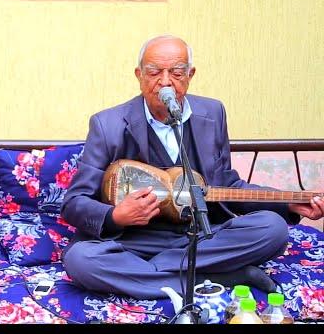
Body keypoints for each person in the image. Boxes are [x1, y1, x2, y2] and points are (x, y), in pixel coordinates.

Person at [61, 35, 324, 300]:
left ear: (190, 75)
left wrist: (286, 204)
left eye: (176, 72)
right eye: (154, 72)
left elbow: (227, 186)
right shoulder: (108, 125)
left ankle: (151, 274)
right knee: (81, 259)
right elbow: (74, 202)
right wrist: (116, 216)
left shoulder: (212, 113)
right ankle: (216, 277)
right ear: (139, 75)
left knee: (273, 229)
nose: (165, 82)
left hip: (200, 237)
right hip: (135, 239)